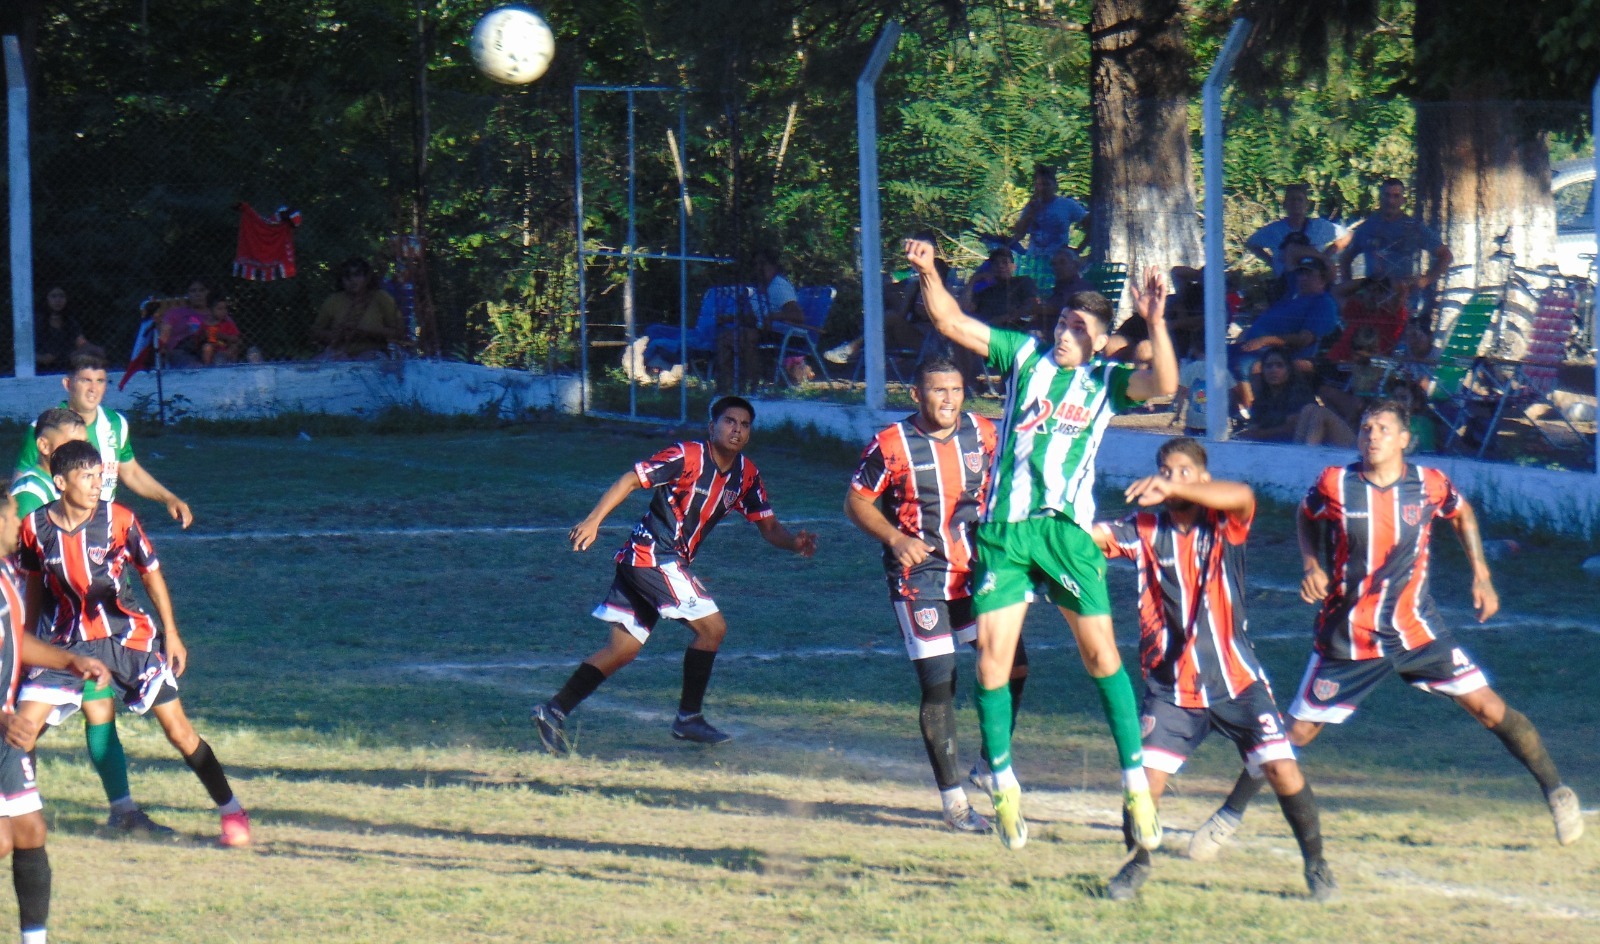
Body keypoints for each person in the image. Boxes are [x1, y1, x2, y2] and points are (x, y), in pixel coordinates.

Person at [1190, 399, 1584, 860]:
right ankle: (1228, 815)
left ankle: (1558, 793)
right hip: (1350, 634)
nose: (1371, 435)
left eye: (1381, 428)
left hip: (1417, 631)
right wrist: (1312, 563)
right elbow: (1306, 515)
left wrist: (1481, 573)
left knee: (1490, 709)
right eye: (1364, 427)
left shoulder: (1429, 485)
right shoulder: (1336, 483)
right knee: (1294, 734)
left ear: (1403, 439)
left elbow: (1462, 513)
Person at [905, 235, 1179, 853]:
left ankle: (1135, 783)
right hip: (1004, 532)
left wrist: (1156, 323)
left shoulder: (1106, 382)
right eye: (1061, 321)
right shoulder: (1025, 357)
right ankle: (1002, 783)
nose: (1064, 333)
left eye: (1078, 328)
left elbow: (1163, 381)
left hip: (1066, 534)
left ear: (1099, 340)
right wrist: (927, 270)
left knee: (1101, 659)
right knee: (991, 663)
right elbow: (950, 320)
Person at [1091, 438, 1335, 901]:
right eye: (1164, 468)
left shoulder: (1224, 521)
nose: (1169, 477)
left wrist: (1172, 484)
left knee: (1282, 769)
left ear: (1204, 477)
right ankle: (1137, 863)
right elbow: (1091, 539)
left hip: (1237, 681)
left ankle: (1317, 865)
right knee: (1143, 785)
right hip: (1173, 687)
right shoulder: (1144, 526)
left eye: (1183, 470)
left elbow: (1242, 494)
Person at [531, 397, 818, 753]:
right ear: (711, 426)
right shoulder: (687, 455)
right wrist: (594, 520)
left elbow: (769, 527)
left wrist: (794, 543)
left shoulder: (747, 475)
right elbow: (631, 480)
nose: (737, 430)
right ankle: (688, 718)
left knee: (621, 650)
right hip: (653, 556)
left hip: (652, 562)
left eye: (745, 425)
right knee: (713, 628)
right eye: (729, 421)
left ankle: (552, 710)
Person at [15, 440, 252, 847]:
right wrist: (29, 644)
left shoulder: (119, 519)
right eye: (86, 476)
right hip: (68, 646)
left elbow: (151, 572)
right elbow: (36, 587)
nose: (96, 484)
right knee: (22, 728)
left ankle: (231, 810)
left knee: (179, 732)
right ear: (60, 482)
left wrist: (171, 633)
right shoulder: (34, 527)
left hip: (130, 641)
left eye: (99, 475)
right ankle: (17, 813)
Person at [844, 357, 1028, 833]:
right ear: (917, 395)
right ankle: (954, 803)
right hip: (920, 579)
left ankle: (989, 764)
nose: (948, 399)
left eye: (956, 389)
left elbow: (1009, 486)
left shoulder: (984, 434)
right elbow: (856, 502)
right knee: (939, 683)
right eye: (937, 390)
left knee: (1014, 665)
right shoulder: (891, 444)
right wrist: (895, 538)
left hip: (976, 575)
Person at [0, 493, 114, 944]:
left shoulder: (7, 575)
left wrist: (69, 661)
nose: (17, 523)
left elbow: (16, 643)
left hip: (7, 732)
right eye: (9, 516)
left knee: (29, 830)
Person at [13, 353, 194, 529]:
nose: (93, 389)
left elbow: (130, 472)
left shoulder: (116, 424)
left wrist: (169, 498)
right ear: (68, 384)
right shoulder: (45, 429)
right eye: (85, 380)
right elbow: (23, 485)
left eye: (100, 381)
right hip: (58, 527)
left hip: (99, 526)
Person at [1339, 178, 1452, 323]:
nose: (1390, 201)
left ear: (1403, 200)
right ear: (1380, 197)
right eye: (1386, 195)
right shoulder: (1367, 227)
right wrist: (1351, 290)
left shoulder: (1414, 227)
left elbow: (1446, 256)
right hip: (1373, 303)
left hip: (1406, 303)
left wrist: (1425, 280)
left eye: (1396, 196)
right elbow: (1345, 258)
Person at [1229, 256, 1341, 389]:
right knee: (1215, 357)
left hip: (1276, 354)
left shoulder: (1323, 303)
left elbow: (1304, 339)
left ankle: (1253, 408)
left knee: (1240, 364)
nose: (1303, 278)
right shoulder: (1291, 299)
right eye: (1301, 273)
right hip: (1253, 346)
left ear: (1323, 280)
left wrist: (1266, 340)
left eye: (1309, 274)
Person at [715, 249, 805, 390]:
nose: (759, 268)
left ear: (774, 266)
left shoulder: (778, 286)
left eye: (763, 264)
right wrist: (730, 318)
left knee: (745, 337)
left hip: (785, 334)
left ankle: (753, 384)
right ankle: (729, 385)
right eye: (756, 265)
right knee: (726, 337)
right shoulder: (760, 288)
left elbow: (797, 316)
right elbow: (753, 318)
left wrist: (773, 316)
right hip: (764, 331)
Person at [1245, 184, 1351, 299]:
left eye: (1299, 200)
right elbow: (1251, 243)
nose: (1296, 203)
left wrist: (1326, 255)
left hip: (1316, 282)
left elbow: (1347, 236)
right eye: (1292, 200)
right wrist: (1271, 262)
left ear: (1307, 205)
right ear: (1285, 205)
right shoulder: (1274, 230)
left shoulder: (1319, 226)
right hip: (1287, 284)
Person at [311, 257, 404, 360]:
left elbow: (399, 332)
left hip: (373, 352)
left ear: (366, 277)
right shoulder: (333, 300)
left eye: (357, 275)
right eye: (347, 276)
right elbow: (316, 332)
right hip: (340, 352)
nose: (352, 280)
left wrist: (367, 332)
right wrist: (336, 335)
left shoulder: (380, 297)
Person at [1233, 348, 1314, 442]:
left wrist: (1259, 434)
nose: (1273, 370)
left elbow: (1292, 429)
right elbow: (1254, 426)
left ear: (1289, 370)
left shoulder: (1300, 394)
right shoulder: (1261, 399)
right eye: (1268, 366)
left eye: (1279, 366)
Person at [1010, 165, 1089, 260]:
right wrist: (1030, 213)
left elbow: (1091, 228)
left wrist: (1078, 251)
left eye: (1046, 184)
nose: (1043, 188)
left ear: (1055, 185)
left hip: (1058, 262)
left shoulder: (1067, 204)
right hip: (1033, 260)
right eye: (1039, 185)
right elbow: (1019, 234)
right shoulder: (1031, 206)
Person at [159, 280, 213, 368]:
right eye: (193, 291)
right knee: (194, 368)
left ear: (208, 292)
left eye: (201, 290)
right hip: (181, 350)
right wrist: (162, 348)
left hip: (209, 350)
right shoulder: (175, 313)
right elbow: (164, 335)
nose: (198, 294)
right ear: (188, 294)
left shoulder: (216, 314)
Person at [34, 287, 88, 375]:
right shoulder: (36, 322)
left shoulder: (71, 321)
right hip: (40, 370)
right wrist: (41, 358)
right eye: (53, 296)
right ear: (46, 299)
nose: (58, 300)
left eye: (61, 296)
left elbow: (82, 344)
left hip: (67, 368)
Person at [196, 295, 245, 365]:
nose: (223, 311)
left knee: (235, 346)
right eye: (219, 309)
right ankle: (207, 368)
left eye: (225, 308)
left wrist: (222, 336)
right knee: (207, 347)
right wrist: (204, 336)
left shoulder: (228, 324)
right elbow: (198, 341)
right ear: (210, 310)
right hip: (212, 352)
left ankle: (228, 363)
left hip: (225, 351)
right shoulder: (205, 325)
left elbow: (237, 339)